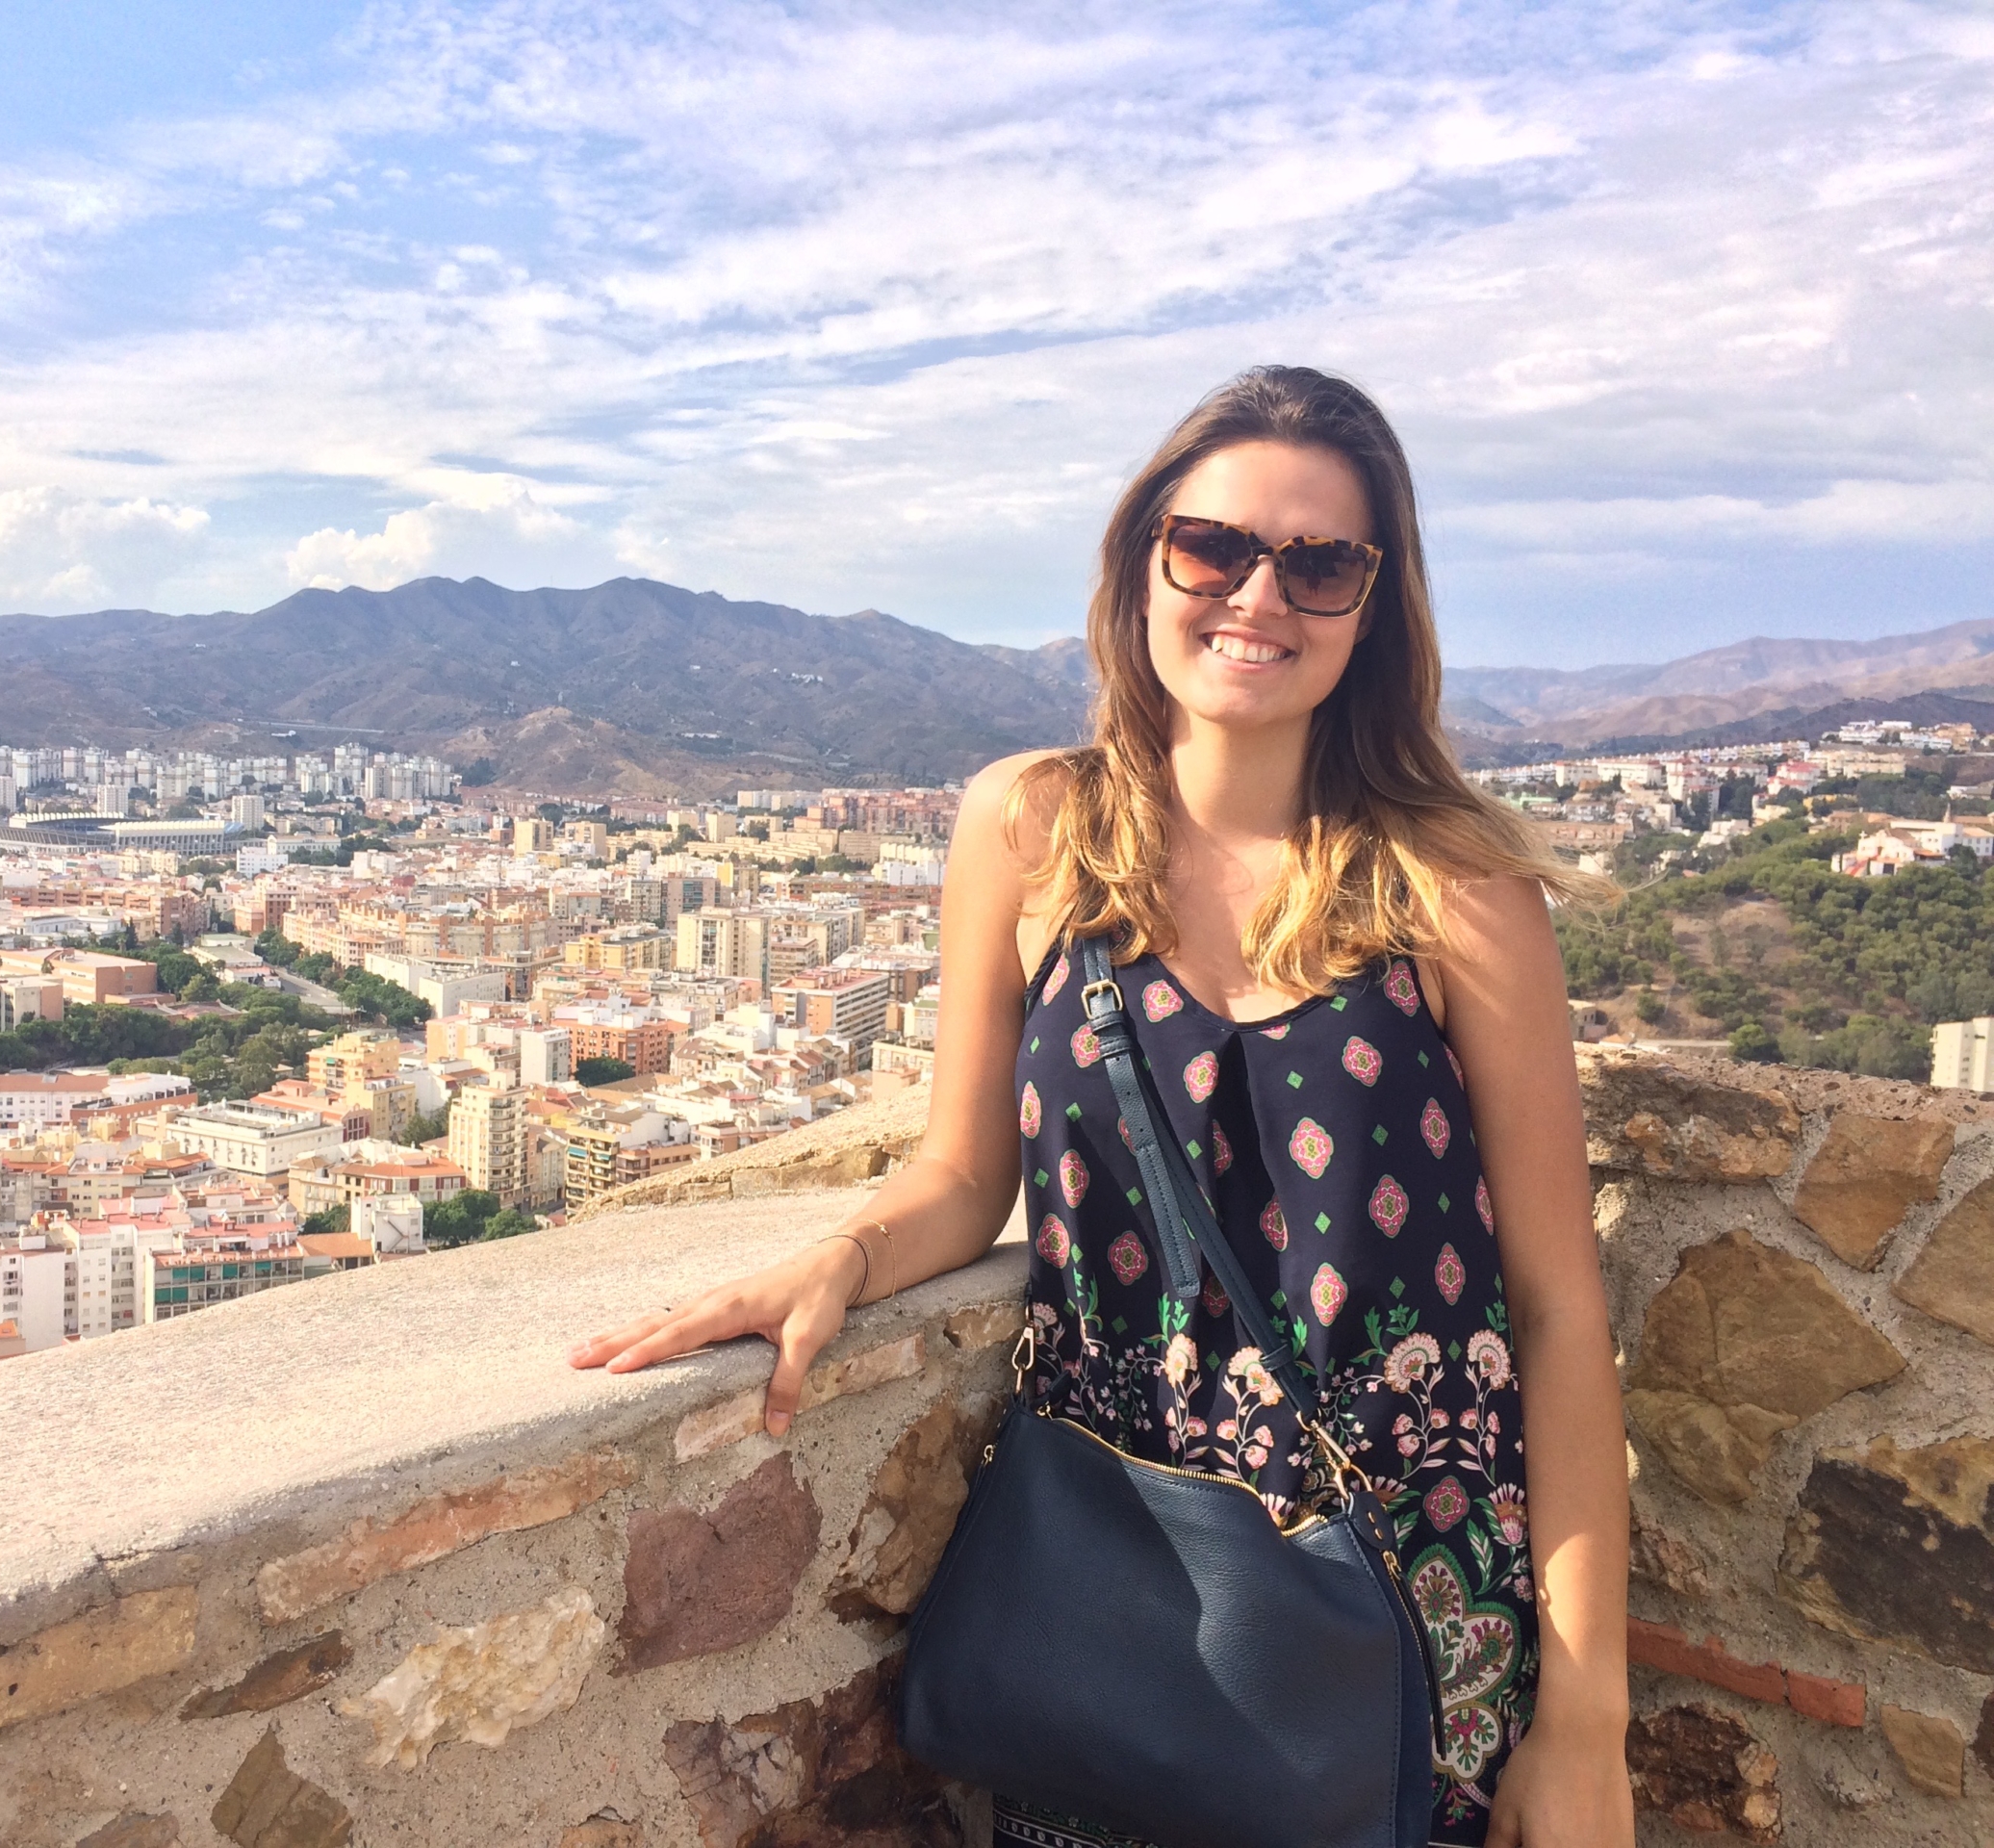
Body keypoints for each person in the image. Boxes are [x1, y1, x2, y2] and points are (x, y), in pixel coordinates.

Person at [571, 365, 1632, 1848]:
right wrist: (840, 1261)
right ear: (1145, 563)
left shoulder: (1451, 892)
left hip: (1405, 1608)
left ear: (1374, 606)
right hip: (1116, 1595)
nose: (1259, 595)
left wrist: (1585, 1725)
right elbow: (962, 1172)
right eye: (1215, 547)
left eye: (1319, 564)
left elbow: (1558, 1311)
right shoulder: (1034, 830)